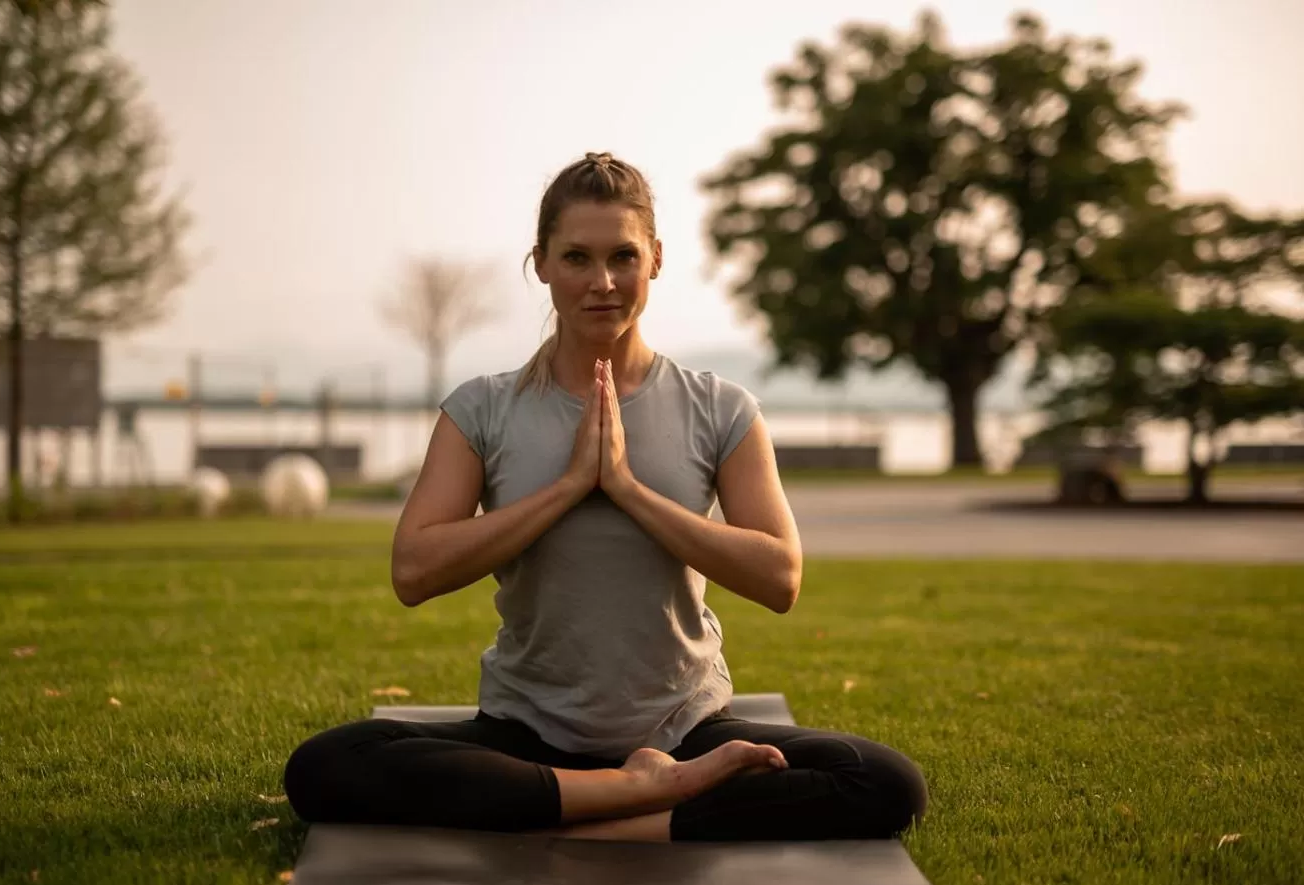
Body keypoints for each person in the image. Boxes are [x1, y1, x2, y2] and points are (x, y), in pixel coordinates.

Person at [283, 152, 927, 843]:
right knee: (326, 765)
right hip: (524, 732)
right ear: (541, 263)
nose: (602, 282)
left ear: (654, 258)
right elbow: (412, 571)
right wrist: (566, 488)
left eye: (623, 256)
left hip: (685, 729)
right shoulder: (482, 409)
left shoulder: (721, 408)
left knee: (882, 780)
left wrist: (623, 487)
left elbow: (780, 577)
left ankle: (590, 806)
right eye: (576, 258)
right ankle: (636, 799)